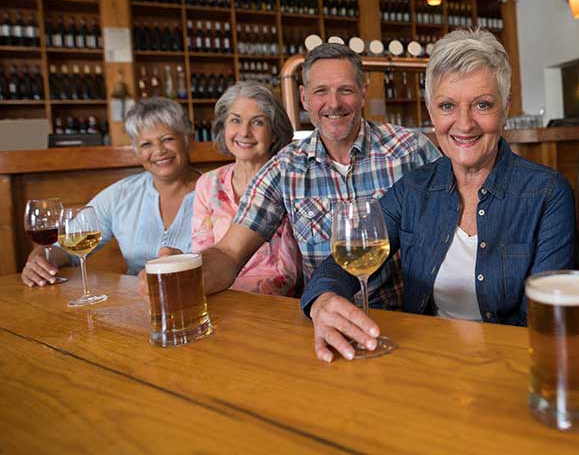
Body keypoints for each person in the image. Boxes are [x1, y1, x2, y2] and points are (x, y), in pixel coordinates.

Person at [302, 28, 577, 362]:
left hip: (512, 368)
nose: (464, 124)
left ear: (505, 108)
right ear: (430, 112)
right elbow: (346, 259)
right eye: (447, 105)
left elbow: (543, 320)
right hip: (425, 361)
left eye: (482, 104)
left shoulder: (548, 193)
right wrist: (323, 300)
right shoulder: (412, 190)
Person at [144, 43, 441, 301]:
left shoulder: (409, 150)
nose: (333, 103)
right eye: (321, 91)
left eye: (346, 90)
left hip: (410, 316)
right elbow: (229, 254)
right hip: (327, 319)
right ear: (304, 98)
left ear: (363, 93)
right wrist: (187, 269)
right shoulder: (284, 168)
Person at [21, 97, 200, 285]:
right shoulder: (119, 195)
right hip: (137, 303)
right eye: (146, 144)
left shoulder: (215, 194)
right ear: (137, 151)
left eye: (168, 139)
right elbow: (65, 247)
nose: (159, 151)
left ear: (189, 140)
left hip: (202, 298)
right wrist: (40, 260)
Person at [190, 81, 302, 295]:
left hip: (281, 303)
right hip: (222, 297)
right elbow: (201, 252)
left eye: (257, 122)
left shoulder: (290, 180)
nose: (244, 132)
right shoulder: (208, 183)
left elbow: (292, 271)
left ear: (275, 133)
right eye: (235, 120)